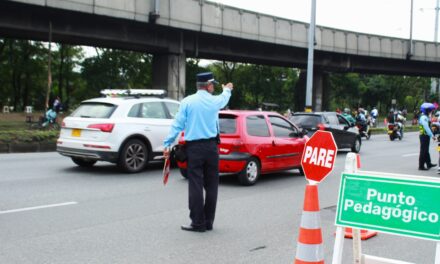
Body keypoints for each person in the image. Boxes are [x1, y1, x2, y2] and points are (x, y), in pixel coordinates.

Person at [163, 72, 233, 232]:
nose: (214, 87)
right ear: (208, 85)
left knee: (195, 184)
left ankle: (198, 223)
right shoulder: (215, 101)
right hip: (212, 148)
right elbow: (224, 98)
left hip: (194, 148)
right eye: (212, 84)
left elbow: (177, 125)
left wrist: (167, 143)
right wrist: (227, 89)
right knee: (212, 185)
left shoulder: (187, 102)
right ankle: (208, 222)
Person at [418, 102, 437, 171]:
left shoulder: (426, 117)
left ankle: (428, 163)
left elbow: (429, 126)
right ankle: (421, 166)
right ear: (426, 110)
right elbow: (426, 127)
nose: (430, 111)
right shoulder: (423, 117)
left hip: (425, 136)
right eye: (429, 110)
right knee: (423, 151)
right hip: (424, 136)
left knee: (426, 150)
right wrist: (432, 135)